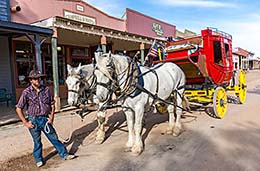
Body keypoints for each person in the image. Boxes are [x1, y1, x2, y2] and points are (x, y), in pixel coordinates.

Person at [16, 70, 75, 167]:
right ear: (31, 80)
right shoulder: (26, 92)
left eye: (39, 78)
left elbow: (52, 105)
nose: (38, 80)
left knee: (54, 138)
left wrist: (51, 117)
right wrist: (25, 122)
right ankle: (38, 159)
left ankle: (64, 154)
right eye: (35, 79)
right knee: (37, 141)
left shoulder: (46, 90)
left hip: (45, 119)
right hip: (33, 120)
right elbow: (18, 108)